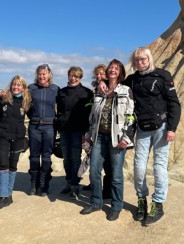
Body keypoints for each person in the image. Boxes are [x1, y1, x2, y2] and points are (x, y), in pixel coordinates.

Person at [124, 47, 181, 225]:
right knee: (139, 168)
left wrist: (172, 128)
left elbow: (174, 103)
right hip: (142, 128)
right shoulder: (131, 80)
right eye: (136, 60)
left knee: (159, 166)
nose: (140, 63)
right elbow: (116, 87)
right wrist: (101, 81)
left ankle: (158, 203)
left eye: (143, 59)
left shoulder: (162, 75)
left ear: (149, 59)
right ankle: (141, 199)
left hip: (162, 128)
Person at [80, 59, 135, 221]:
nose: (112, 69)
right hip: (99, 137)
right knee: (94, 171)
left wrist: (127, 137)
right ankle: (96, 202)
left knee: (116, 175)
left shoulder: (126, 90)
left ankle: (117, 206)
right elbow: (93, 116)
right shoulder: (100, 90)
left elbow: (131, 116)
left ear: (120, 73)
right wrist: (89, 135)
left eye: (116, 68)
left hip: (117, 138)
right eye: (110, 67)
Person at [0, 75, 32, 210]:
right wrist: (0, 101)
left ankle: (8, 195)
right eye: (14, 84)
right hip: (3, 136)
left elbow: (33, 116)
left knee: (13, 166)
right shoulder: (3, 99)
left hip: (18, 137)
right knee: (3, 165)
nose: (15, 87)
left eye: (19, 85)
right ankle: (3, 196)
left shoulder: (27, 101)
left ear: (23, 87)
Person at [56, 66, 93, 199]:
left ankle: (75, 185)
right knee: (66, 159)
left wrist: (85, 133)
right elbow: (59, 111)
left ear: (80, 78)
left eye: (76, 76)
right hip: (65, 130)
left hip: (78, 131)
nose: (73, 78)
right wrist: (60, 123)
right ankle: (68, 182)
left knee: (75, 158)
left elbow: (88, 114)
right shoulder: (62, 92)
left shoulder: (87, 93)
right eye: (71, 75)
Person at [27, 64, 60, 196]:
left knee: (46, 157)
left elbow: (62, 107)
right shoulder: (31, 88)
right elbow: (26, 105)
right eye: (40, 74)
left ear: (49, 75)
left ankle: (44, 184)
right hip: (34, 126)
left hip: (49, 127)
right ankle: (33, 184)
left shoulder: (55, 89)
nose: (42, 76)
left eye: (44, 74)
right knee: (34, 157)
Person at [82, 64, 112, 199]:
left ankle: (107, 190)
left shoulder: (109, 88)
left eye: (102, 73)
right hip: (93, 129)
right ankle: (95, 185)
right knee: (92, 159)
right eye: (97, 74)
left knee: (107, 162)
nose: (99, 76)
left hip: (106, 130)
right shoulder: (95, 90)